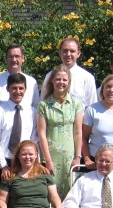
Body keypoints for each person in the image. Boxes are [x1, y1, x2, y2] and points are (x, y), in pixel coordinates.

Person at [36, 65, 84, 198]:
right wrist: (47, 160)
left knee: (71, 192)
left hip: (70, 156)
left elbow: (78, 132)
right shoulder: (43, 105)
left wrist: (77, 156)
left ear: (69, 82)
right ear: (52, 81)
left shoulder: (76, 103)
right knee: (51, 191)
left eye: (64, 80)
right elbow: (42, 134)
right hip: (51, 155)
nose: (61, 83)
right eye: (58, 79)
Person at [0, 73, 39, 179]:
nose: (18, 92)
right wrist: (3, 166)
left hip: (25, 162)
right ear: (8, 89)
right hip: (3, 162)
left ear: (26, 89)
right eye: (14, 88)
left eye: (21, 88)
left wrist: (34, 162)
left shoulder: (32, 112)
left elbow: (34, 139)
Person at [42, 38, 97, 109]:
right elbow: (43, 102)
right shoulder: (50, 76)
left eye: (72, 51)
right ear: (60, 53)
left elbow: (92, 107)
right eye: (65, 51)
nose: (68, 54)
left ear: (78, 54)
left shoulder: (87, 78)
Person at [0, 43, 40, 108]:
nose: (14, 59)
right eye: (10, 56)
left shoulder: (32, 82)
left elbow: (36, 108)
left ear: (23, 58)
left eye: (17, 56)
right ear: (6, 59)